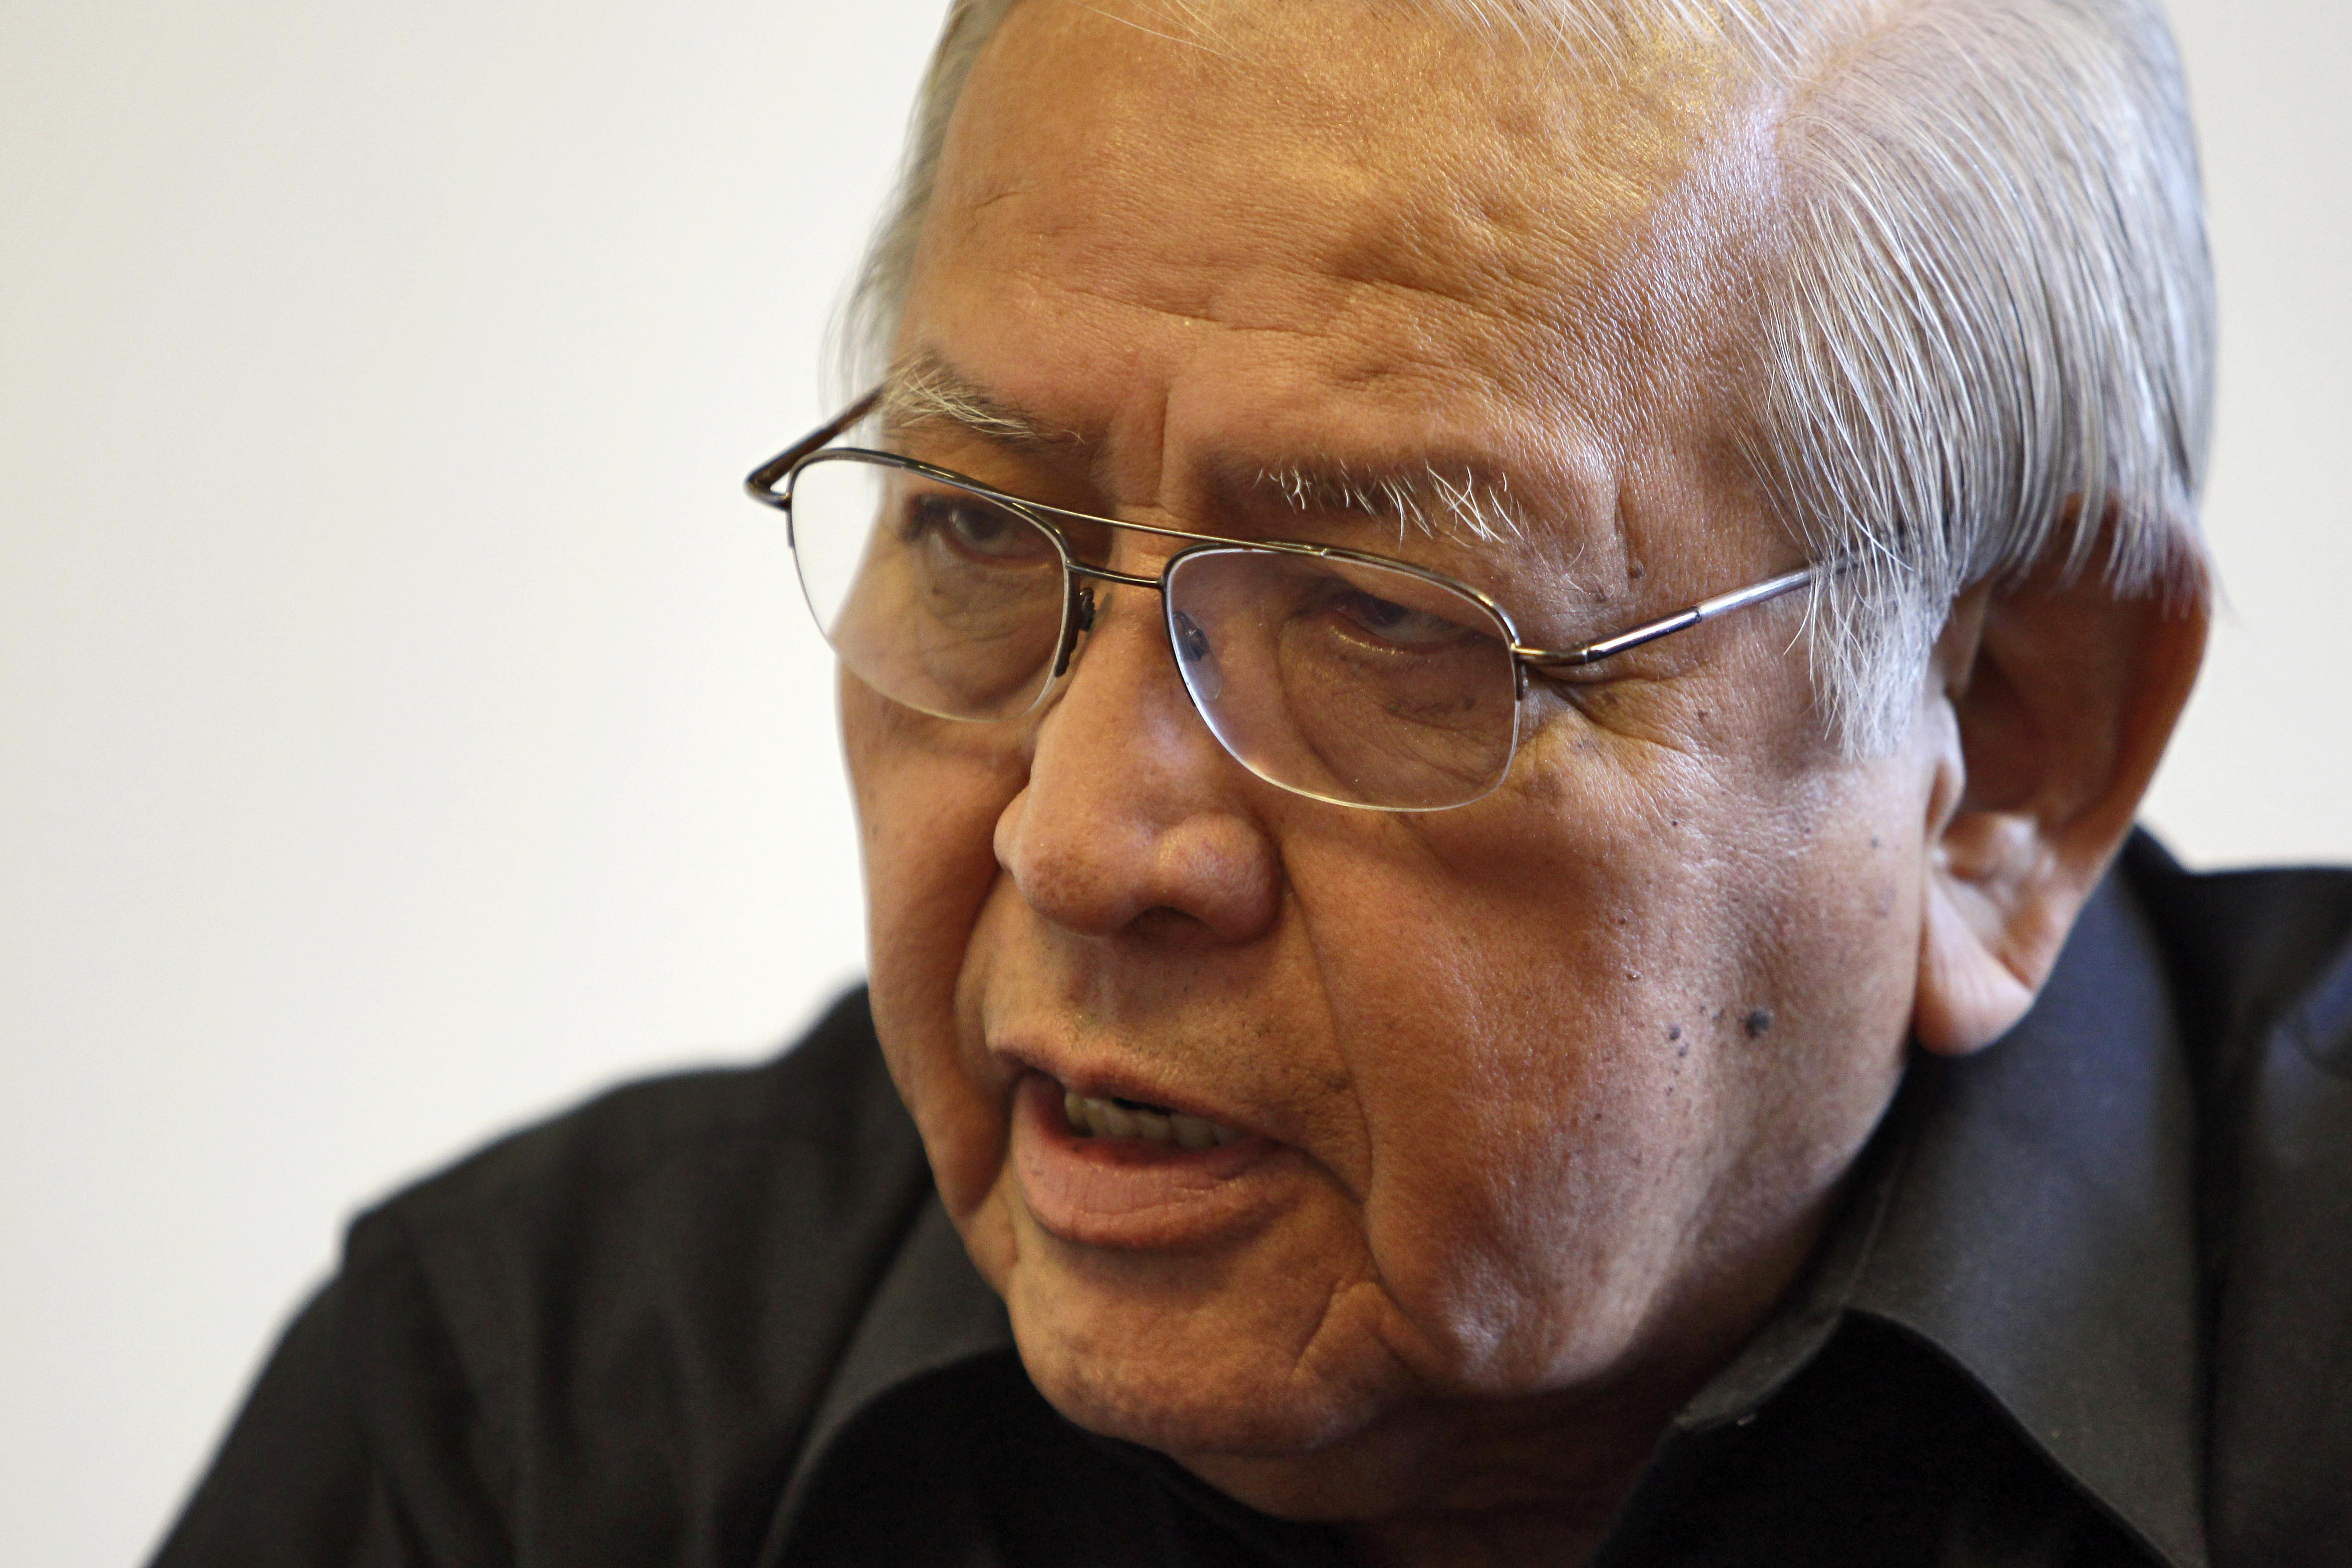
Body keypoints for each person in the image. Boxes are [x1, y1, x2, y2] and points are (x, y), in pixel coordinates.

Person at [151, 1, 2352, 1564]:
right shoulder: (515, 1429)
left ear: (2007, 754)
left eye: (1391, 622)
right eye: (976, 528)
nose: (1076, 840)